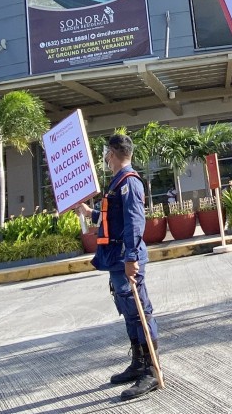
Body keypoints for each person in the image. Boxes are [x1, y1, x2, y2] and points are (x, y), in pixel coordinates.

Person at [76, 133, 160, 401]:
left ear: (111, 154)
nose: (104, 158)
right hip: (116, 257)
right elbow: (115, 216)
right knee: (128, 311)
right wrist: (92, 214)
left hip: (126, 256)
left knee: (140, 311)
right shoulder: (116, 183)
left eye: (105, 153)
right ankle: (138, 363)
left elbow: (135, 222)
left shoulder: (129, 182)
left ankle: (151, 371)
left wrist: (132, 258)